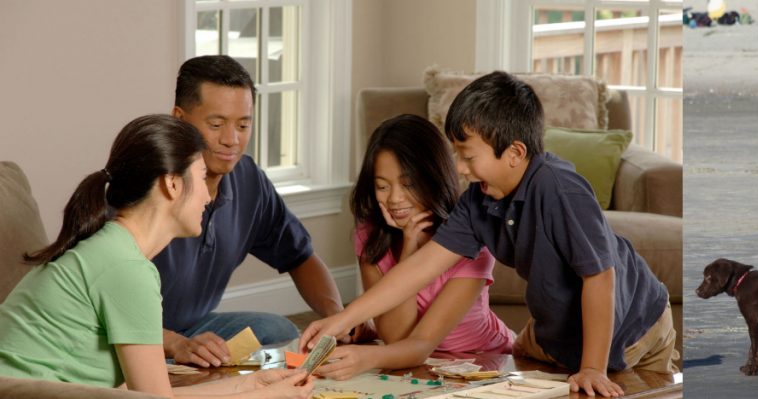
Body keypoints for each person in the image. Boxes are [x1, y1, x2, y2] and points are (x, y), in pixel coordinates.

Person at [300, 72, 679, 397]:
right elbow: (417, 271)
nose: (461, 169)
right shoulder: (477, 202)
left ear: (514, 152)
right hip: (556, 330)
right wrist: (342, 319)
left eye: (468, 156)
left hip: (631, 326)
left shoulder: (560, 189)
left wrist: (593, 367)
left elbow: (599, 277)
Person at [0, 114, 314, 398]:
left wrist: (249, 385)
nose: (208, 195)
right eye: (202, 177)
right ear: (172, 184)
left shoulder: (113, 248)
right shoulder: (126, 268)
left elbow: (150, 394)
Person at [158, 55, 356, 368]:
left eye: (243, 124)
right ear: (179, 120)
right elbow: (103, 311)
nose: (231, 140)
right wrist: (174, 344)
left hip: (192, 325)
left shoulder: (247, 179)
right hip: (131, 333)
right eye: (216, 124)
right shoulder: (147, 186)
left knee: (277, 330)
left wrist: (337, 317)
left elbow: (299, 256)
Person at [315, 114, 516, 381]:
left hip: (484, 359)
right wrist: (408, 248)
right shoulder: (371, 236)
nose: (395, 199)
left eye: (408, 184)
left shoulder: (471, 241)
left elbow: (419, 344)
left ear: (434, 177)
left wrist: (366, 355)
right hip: (418, 364)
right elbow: (396, 336)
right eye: (382, 186)